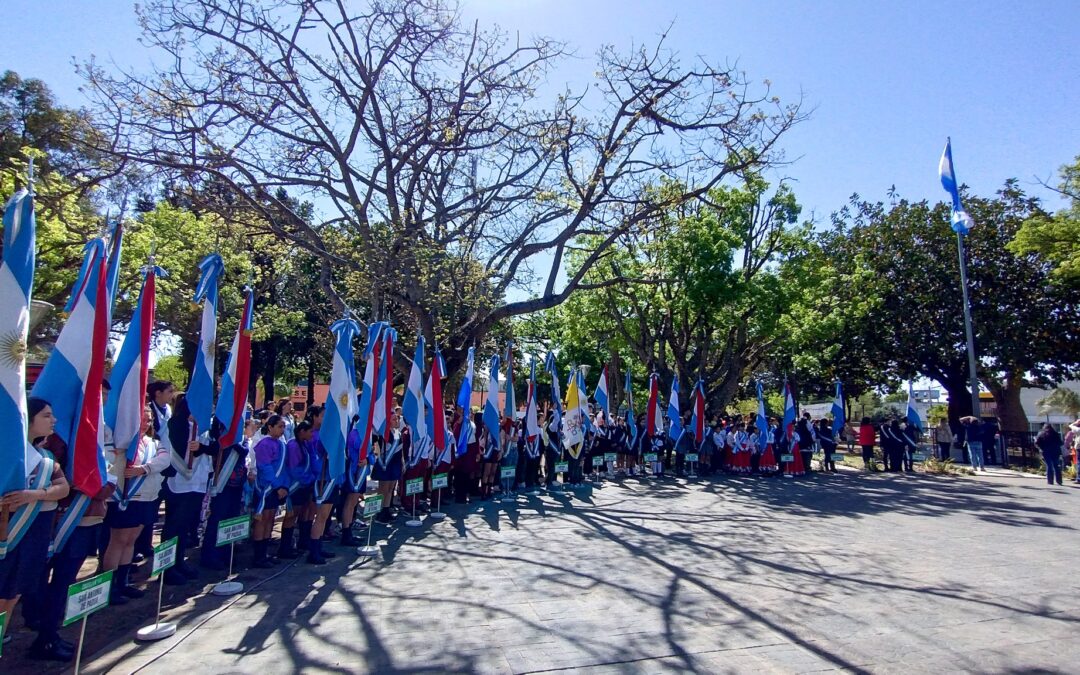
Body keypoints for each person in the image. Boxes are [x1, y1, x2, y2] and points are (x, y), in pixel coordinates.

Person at [0, 398, 69, 653]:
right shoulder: (7, 451)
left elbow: (63, 488)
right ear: (29, 419)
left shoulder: (46, 457)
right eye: (46, 415)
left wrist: (35, 495)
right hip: (8, 534)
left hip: (32, 534)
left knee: (12, 594)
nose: (53, 420)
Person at [102, 404, 170, 605]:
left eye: (149, 419)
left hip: (147, 497)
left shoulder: (153, 443)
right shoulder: (122, 443)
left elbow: (165, 459)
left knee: (131, 540)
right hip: (126, 498)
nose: (146, 422)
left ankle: (123, 582)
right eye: (143, 418)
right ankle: (110, 587)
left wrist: (145, 469)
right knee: (118, 541)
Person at [161, 394, 210, 585]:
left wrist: (202, 447)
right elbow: (177, 447)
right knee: (174, 526)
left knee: (185, 526)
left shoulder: (202, 428)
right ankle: (167, 568)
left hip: (197, 483)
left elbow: (211, 448)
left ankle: (179, 561)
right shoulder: (176, 424)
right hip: (178, 483)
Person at [251, 415, 289, 568]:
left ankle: (265, 553)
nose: (282, 430)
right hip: (265, 488)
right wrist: (276, 485)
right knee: (262, 519)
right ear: (271, 427)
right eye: (279, 426)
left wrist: (283, 486)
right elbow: (265, 467)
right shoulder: (264, 444)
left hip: (277, 487)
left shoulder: (280, 444)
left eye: (283, 427)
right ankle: (258, 556)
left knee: (271, 519)